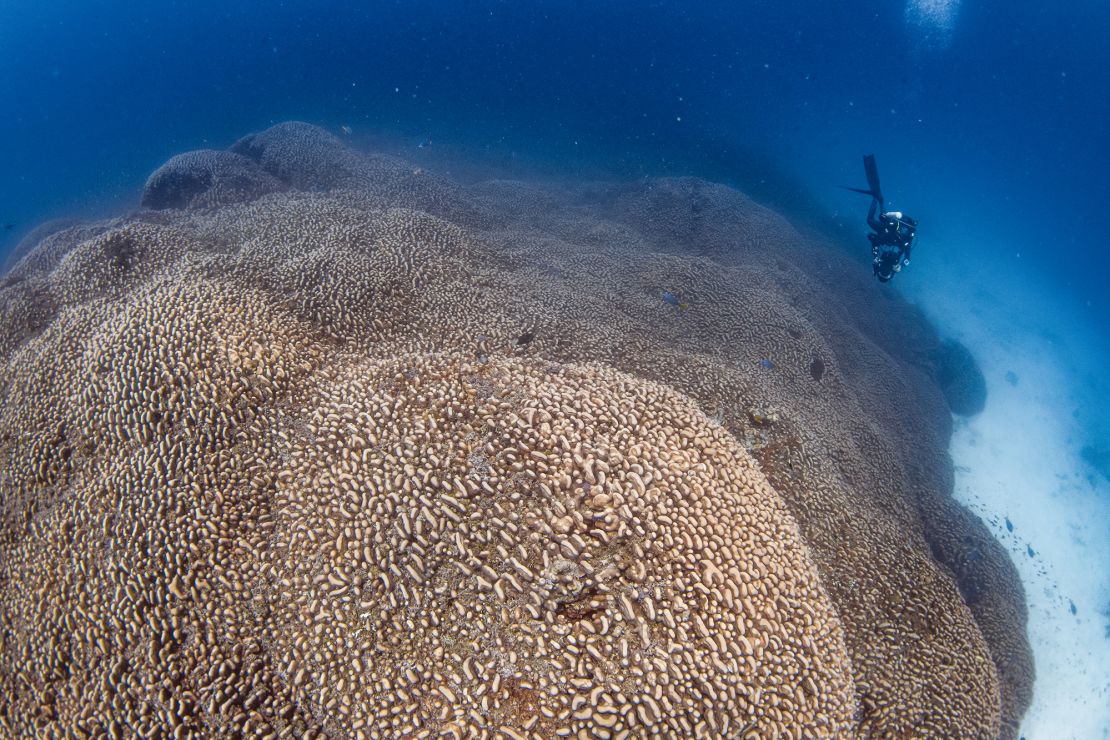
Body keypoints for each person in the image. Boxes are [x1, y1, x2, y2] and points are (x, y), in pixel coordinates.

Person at [843, 154, 918, 283]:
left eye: (882, 272)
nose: (885, 269)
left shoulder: (878, 261)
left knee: (871, 220)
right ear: (892, 273)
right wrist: (903, 265)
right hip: (894, 230)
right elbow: (907, 257)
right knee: (887, 221)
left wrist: (875, 255)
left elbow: (874, 242)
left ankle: (876, 199)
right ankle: (880, 202)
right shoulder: (901, 254)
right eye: (886, 273)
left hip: (884, 233)